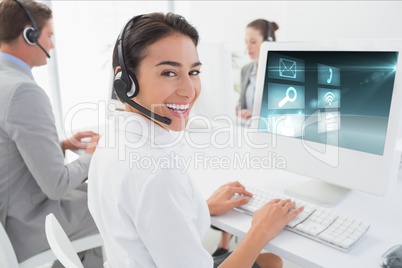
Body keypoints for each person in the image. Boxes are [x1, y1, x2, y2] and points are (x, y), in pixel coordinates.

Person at [88, 12, 303, 268]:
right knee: (273, 262)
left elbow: (143, 221)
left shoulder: (113, 136)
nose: (189, 90)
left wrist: (203, 207)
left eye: (193, 72)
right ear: (125, 80)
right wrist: (261, 231)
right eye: (168, 73)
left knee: (270, 260)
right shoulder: (157, 172)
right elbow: (155, 190)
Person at [0, 0, 103, 266]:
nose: (53, 45)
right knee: (121, 206)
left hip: (12, 218)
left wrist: (62, 145)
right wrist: (94, 156)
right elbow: (56, 186)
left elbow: (9, 154)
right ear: (29, 34)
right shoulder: (22, 91)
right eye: (49, 36)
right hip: (30, 227)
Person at [237, 19, 279, 120]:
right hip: (247, 129)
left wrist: (258, 118)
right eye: (246, 42)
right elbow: (240, 104)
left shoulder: (279, 72)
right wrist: (240, 111)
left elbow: (283, 112)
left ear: (268, 42)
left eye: (253, 42)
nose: (248, 47)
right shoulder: (245, 70)